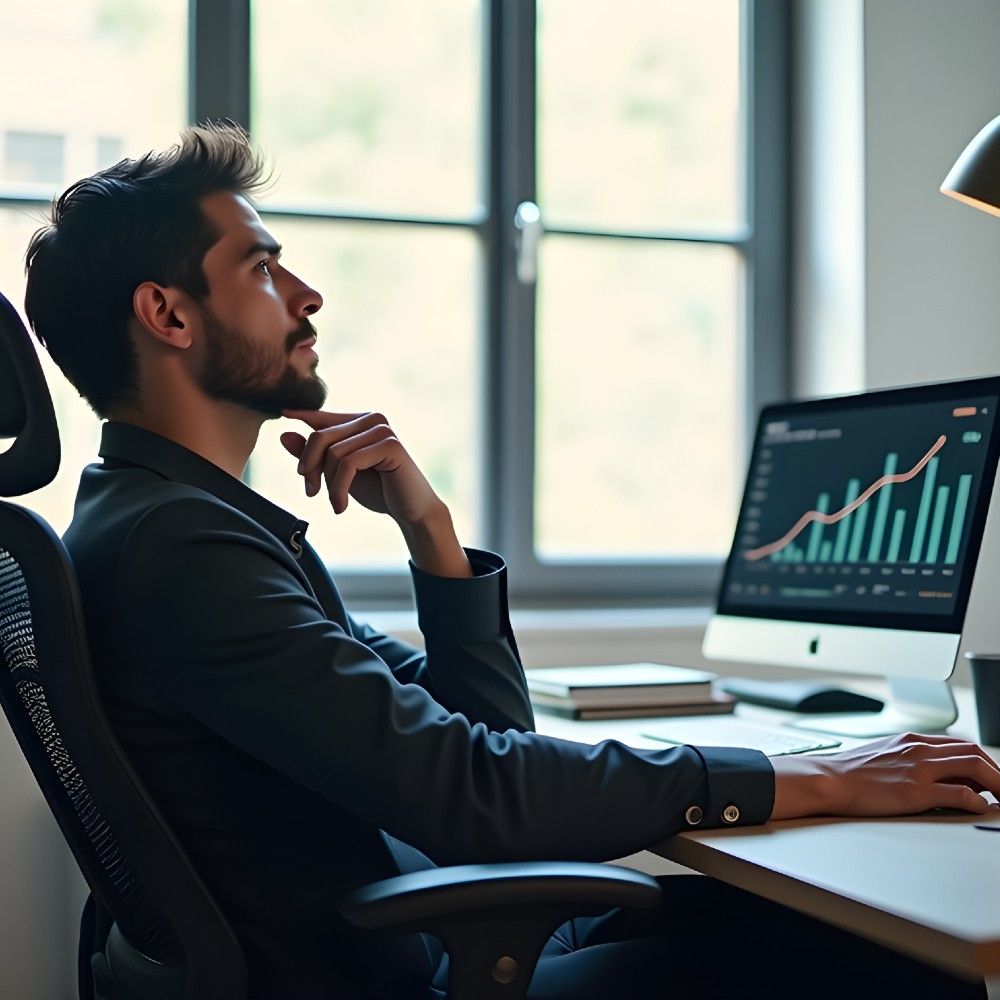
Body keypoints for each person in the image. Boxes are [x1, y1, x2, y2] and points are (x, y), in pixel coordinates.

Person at [22, 121, 997, 999]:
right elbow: (472, 797)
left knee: (770, 924)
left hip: (394, 946)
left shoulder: (175, 521)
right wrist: (819, 780)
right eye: (265, 269)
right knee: (895, 967)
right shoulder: (184, 549)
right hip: (386, 977)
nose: (308, 294)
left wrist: (431, 534)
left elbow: (480, 736)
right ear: (170, 314)